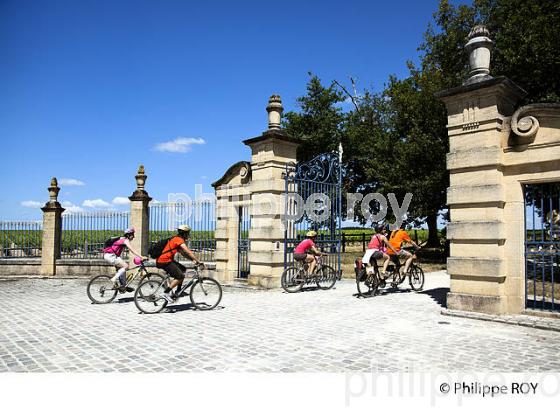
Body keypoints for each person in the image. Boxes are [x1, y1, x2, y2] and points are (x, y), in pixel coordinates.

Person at [156, 224, 205, 303]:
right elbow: (188, 251)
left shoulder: (176, 239)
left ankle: (178, 291)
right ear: (184, 233)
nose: (189, 235)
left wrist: (192, 260)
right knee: (180, 276)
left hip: (166, 260)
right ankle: (166, 293)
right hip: (164, 261)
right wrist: (198, 261)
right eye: (188, 233)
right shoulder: (179, 240)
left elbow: (183, 253)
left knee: (183, 269)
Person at [102, 228, 147, 292]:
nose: (133, 237)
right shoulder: (125, 240)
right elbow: (132, 250)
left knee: (121, 270)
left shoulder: (121, 238)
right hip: (111, 256)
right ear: (128, 235)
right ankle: (114, 279)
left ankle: (123, 287)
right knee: (126, 266)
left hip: (109, 255)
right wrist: (141, 256)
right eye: (132, 235)